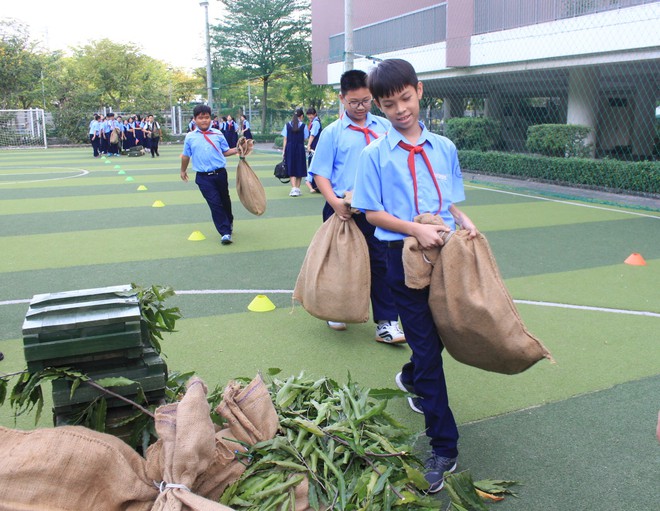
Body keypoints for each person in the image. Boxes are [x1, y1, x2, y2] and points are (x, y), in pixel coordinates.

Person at [352, 58, 479, 493]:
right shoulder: (374, 155)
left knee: (444, 336)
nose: (400, 110)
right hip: (401, 257)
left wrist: (464, 220)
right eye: (389, 105)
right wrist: (415, 229)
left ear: (419, 91)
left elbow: (450, 201)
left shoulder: (444, 147)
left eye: (405, 98)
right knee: (428, 349)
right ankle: (444, 445)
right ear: (379, 107)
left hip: (446, 254)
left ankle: (410, 376)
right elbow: (371, 212)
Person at [308, 69, 405, 343]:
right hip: (342, 208)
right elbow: (320, 173)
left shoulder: (385, 128)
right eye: (354, 102)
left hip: (376, 210)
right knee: (340, 262)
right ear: (342, 99)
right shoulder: (332, 133)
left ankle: (387, 323)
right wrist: (336, 202)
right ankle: (335, 309)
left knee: (382, 264)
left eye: (365, 101)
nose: (361, 107)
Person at [180, 105, 239, 245]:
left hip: (220, 174)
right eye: (200, 118)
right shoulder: (190, 137)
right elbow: (185, 156)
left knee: (225, 200)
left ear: (211, 119)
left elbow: (225, 151)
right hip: (203, 177)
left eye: (206, 117)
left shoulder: (218, 134)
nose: (204, 121)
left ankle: (229, 221)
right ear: (195, 120)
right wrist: (183, 170)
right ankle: (225, 232)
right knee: (215, 203)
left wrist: (238, 149)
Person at [281, 108, 309, 197]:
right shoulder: (304, 126)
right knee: (299, 167)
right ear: (302, 116)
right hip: (300, 147)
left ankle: (293, 188)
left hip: (289, 148)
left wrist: (283, 151)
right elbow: (305, 138)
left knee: (291, 166)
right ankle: (297, 188)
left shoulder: (287, 125)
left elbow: (285, 139)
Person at [305, 107, 321, 192]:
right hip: (315, 145)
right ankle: (313, 183)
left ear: (314, 114)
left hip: (314, 146)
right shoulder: (314, 122)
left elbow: (313, 135)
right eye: (308, 115)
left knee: (313, 164)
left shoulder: (315, 123)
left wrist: (308, 145)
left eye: (311, 114)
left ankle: (313, 183)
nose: (310, 116)